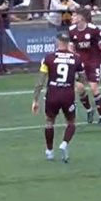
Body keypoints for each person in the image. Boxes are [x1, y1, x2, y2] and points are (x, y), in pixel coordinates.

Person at [32, 34, 82, 162]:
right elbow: (82, 78)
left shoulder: (48, 58)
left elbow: (40, 81)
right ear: (68, 42)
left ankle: (49, 151)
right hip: (68, 95)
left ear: (57, 42)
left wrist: (35, 100)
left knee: (49, 122)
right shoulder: (76, 58)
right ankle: (64, 143)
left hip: (52, 95)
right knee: (71, 122)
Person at [67, 9, 101, 124]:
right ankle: (89, 110)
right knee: (79, 88)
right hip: (80, 63)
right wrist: (72, 59)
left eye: (74, 16)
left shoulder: (93, 29)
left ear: (81, 18)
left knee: (94, 87)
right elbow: (70, 47)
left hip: (95, 61)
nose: (72, 18)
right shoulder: (71, 30)